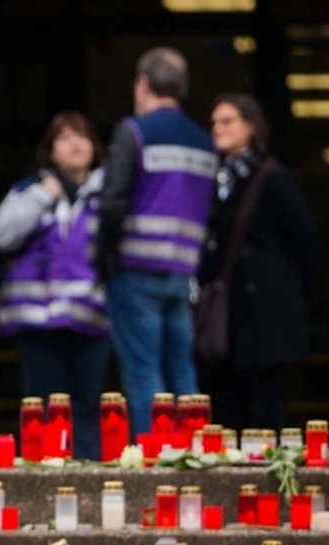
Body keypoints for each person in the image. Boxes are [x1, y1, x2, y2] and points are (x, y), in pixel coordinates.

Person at [96, 47, 217, 434]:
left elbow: (112, 203)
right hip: (182, 273)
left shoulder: (134, 131)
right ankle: (194, 453)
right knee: (182, 371)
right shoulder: (205, 142)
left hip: (135, 270)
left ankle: (156, 456)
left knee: (144, 371)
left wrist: (103, 259)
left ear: (143, 84)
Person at [0, 111, 109, 460]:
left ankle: (87, 478)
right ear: (51, 150)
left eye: (82, 136)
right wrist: (42, 195)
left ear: (94, 146)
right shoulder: (28, 190)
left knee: (87, 406)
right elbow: (0, 235)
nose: (75, 144)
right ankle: (41, 478)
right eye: (65, 137)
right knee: (41, 407)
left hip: (91, 318)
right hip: (37, 321)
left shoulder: (109, 195)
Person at [199, 93, 318, 430]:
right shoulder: (214, 180)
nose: (218, 128)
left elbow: (306, 243)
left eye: (227, 121)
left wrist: (288, 297)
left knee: (266, 409)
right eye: (214, 122)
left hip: (266, 318)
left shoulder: (273, 177)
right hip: (227, 321)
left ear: (251, 126)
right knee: (226, 410)